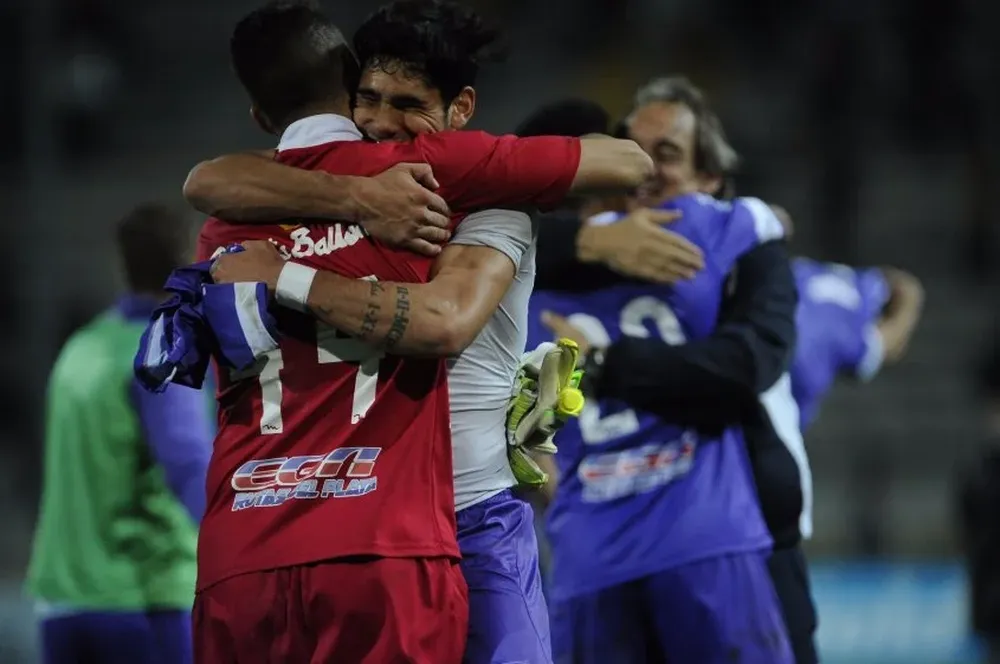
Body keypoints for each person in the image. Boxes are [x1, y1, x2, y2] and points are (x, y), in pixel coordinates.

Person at [189, 2, 652, 662]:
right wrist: (357, 198)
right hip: (377, 515)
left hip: (470, 517)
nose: (379, 123)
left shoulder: (482, 190)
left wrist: (288, 273)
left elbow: (445, 321)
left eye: (406, 104)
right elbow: (205, 179)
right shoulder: (301, 187)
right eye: (367, 99)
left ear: (458, 112)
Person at [527, 76, 796, 664]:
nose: (643, 173)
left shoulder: (514, 286)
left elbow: (528, 443)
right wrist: (768, 215)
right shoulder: (698, 228)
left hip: (591, 556)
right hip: (704, 542)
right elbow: (764, 219)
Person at [25, 204, 212, 664]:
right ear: (190, 260)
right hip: (143, 603)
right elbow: (189, 467)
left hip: (63, 606)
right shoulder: (161, 350)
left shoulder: (81, 347)